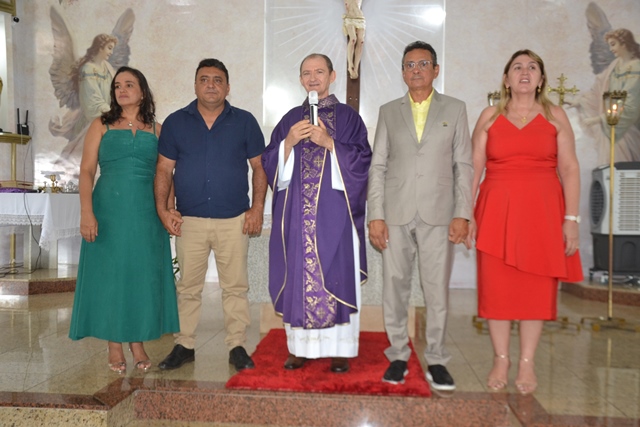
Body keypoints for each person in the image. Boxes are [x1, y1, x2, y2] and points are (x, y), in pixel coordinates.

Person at [468, 49, 583, 394]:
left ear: (541, 79)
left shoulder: (555, 115)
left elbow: (570, 168)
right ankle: (501, 358)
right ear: (506, 79)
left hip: (543, 215)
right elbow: (473, 167)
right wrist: (465, 214)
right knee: (497, 288)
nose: (524, 72)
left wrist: (571, 218)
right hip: (495, 213)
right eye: (517, 67)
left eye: (532, 67)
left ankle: (527, 362)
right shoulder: (490, 115)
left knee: (536, 288)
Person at [368, 41, 473, 390]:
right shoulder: (389, 111)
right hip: (395, 212)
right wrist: (376, 214)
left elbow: (463, 165)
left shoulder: (455, 109)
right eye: (410, 65)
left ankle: (437, 359)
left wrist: (462, 213)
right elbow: (378, 165)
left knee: (436, 289)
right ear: (402, 72)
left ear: (435, 70)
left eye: (423, 63)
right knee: (394, 287)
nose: (416, 70)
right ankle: (398, 354)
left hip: (439, 212)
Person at [154, 58, 267, 372]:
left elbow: (260, 167)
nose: (211, 85)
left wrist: (257, 208)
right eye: (204, 79)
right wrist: (163, 209)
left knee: (235, 287)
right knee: (188, 287)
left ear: (228, 87)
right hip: (190, 220)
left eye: (218, 80)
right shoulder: (176, 122)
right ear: (195, 85)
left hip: (234, 219)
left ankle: (237, 345)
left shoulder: (244, 121)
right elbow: (163, 169)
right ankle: (184, 344)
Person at [262, 53, 371, 373]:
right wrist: (287, 143)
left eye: (319, 71)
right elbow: (269, 163)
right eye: (306, 73)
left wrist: (330, 143)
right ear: (300, 79)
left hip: (336, 219)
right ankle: (300, 349)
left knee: (337, 273)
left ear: (332, 76)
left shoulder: (349, 118)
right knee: (299, 275)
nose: (313, 78)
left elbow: (363, 162)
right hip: (298, 220)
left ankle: (340, 350)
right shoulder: (290, 119)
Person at [69, 66, 180, 374]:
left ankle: (137, 342)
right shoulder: (101, 125)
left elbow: (166, 174)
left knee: (141, 276)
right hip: (109, 211)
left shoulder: (158, 130)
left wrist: (168, 210)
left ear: (142, 92)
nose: (122, 89)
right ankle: (114, 343)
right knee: (112, 277)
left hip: (146, 213)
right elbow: (86, 171)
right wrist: (86, 212)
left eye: (129, 84)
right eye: (117, 85)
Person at [51, 34, 118, 174]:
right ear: (100, 47)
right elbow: (92, 98)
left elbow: (115, 91)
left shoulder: (107, 67)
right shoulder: (88, 69)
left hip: (107, 116)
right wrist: (111, 113)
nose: (111, 52)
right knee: (81, 159)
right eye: (109, 48)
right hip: (91, 118)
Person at [571, 28, 640, 164]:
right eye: (609, 45)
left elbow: (631, 105)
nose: (611, 49)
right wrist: (581, 101)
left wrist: (600, 119)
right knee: (608, 168)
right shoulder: (615, 65)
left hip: (625, 129)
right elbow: (598, 88)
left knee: (621, 169)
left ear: (624, 44)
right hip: (609, 126)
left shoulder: (636, 68)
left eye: (613, 44)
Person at [343, 0, 366, 79]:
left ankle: (356, 67)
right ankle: (350, 65)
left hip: (360, 18)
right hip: (350, 18)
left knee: (361, 41)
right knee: (353, 39)